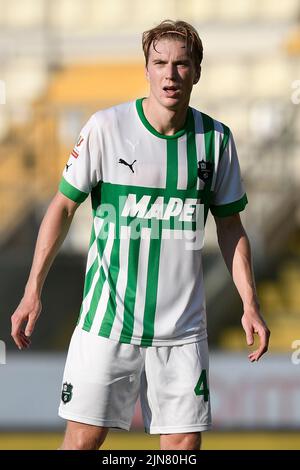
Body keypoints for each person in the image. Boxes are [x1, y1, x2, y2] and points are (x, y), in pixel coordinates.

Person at [11, 19, 270, 450]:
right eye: (160, 63)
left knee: (182, 448)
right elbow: (62, 205)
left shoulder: (216, 141)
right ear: (146, 69)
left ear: (198, 71)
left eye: (182, 64)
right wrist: (32, 289)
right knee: (81, 443)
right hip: (108, 322)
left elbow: (230, 226)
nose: (170, 75)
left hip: (183, 330)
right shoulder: (106, 128)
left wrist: (250, 302)